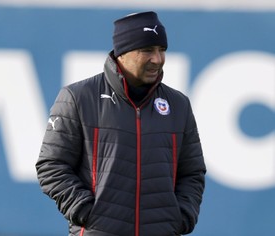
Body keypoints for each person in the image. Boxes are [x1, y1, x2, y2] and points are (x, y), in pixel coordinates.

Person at [36, 11, 206, 236]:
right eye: (147, 50)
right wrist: (85, 211)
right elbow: (51, 166)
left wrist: (182, 216)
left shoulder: (178, 104)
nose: (157, 59)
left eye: (162, 50)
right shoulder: (79, 97)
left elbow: (192, 173)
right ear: (122, 54)